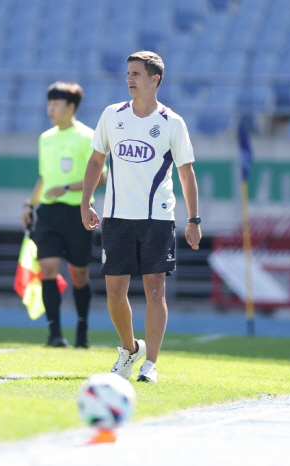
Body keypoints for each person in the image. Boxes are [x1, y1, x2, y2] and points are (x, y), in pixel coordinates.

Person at [80, 51, 201, 383]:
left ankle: (151, 363)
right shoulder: (112, 115)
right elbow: (95, 162)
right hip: (116, 218)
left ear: (154, 79)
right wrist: (85, 202)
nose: (129, 78)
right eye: (128, 73)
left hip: (157, 220)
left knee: (155, 290)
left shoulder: (171, 123)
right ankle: (129, 348)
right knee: (115, 292)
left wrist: (194, 219)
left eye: (136, 73)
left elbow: (187, 174)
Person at [22, 81, 107, 348]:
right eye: (49, 104)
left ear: (71, 107)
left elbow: (101, 177)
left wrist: (68, 188)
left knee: (79, 275)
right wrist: (29, 205)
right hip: (48, 214)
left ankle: (82, 330)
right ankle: (54, 334)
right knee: (47, 268)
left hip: (78, 213)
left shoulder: (87, 137)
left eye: (56, 104)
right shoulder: (45, 138)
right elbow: (44, 179)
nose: (50, 109)